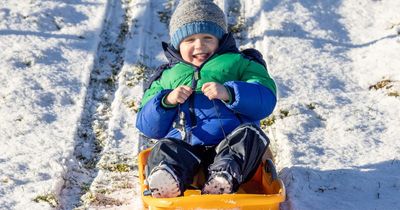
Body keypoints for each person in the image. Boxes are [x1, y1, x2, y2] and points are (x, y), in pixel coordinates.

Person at [136, 0, 277, 198]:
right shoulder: (166, 76)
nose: (199, 45)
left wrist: (231, 93)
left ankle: (223, 177)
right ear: (177, 44)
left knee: (250, 135)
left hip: (228, 147)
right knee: (164, 148)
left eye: (207, 37)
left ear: (220, 39)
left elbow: (265, 99)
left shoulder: (241, 63)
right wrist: (166, 101)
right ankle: (167, 177)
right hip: (185, 150)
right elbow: (148, 126)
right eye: (189, 40)